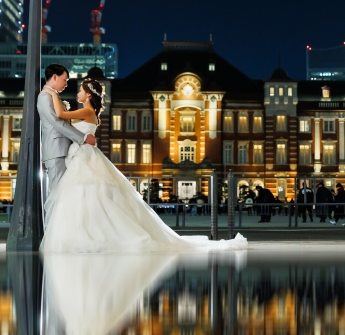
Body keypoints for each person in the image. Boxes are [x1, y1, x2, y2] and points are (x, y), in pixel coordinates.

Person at [40, 77, 246, 253]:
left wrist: (51, 92)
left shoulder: (86, 112)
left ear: (89, 95)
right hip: (81, 155)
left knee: (88, 194)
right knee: (88, 195)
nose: (77, 93)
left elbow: (59, 116)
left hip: (84, 157)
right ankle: (90, 232)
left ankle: (92, 233)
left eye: (81, 90)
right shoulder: (87, 112)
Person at [37, 64, 97, 225]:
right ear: (55, 77)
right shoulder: (45, 96)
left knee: (64, 195)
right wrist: (83, 138)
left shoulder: (51, 95)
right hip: (57, 151)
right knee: (57, 195)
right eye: (65, 79)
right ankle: (52, 234)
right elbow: (58, 123)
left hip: (64, 150)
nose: (66, 84)